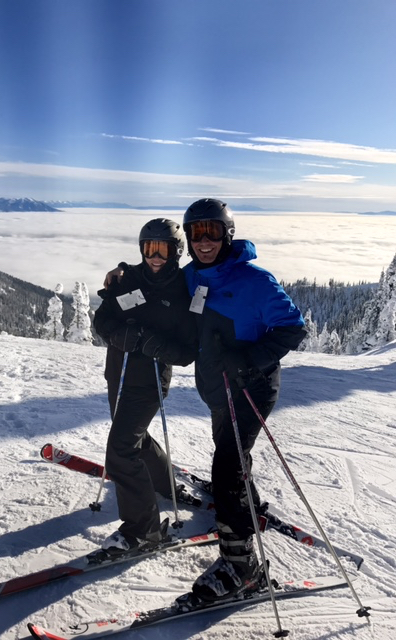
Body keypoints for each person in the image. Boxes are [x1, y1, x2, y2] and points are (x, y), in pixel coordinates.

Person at [104, 199, 306, 600]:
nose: (204, 241)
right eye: (196, 232)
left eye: (212, 231)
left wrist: (249, 360)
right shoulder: (193, 275)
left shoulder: (255, 280)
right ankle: (246, 504)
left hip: (250, 388)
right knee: (231, 457)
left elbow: (292, 328)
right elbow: (157, 281)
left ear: (227, 234)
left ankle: (242, 566)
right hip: (217, 388)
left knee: (227, 466)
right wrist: (124, 272)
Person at [93, 218, 198, 555]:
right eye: (149, 248)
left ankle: (144, 530)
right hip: (118, 373)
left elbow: (188, 351)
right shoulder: (128, 279)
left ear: (176, 252)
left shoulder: (184, 291)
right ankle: (164, 484)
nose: (155, 257)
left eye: (163, 250)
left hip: (150, 382)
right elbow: (102, 320)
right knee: (133, 438)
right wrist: (115, 335)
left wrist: (157, 346)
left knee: (121, 449)